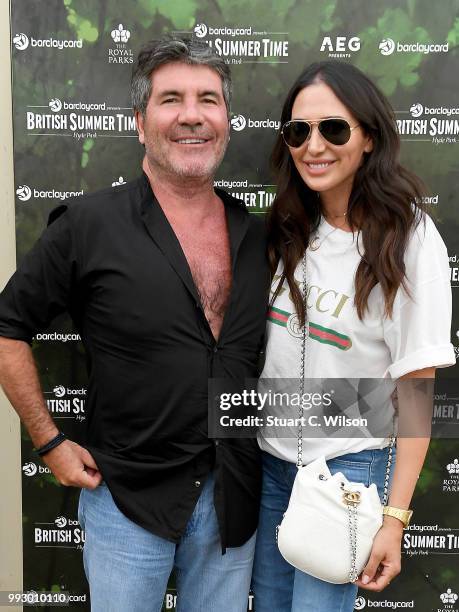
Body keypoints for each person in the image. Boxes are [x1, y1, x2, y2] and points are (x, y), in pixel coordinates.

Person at [0, 37, 270, 612]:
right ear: (140, 122)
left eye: (208, 99)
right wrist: (48, 441)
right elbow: (7, 326)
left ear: (226, 118)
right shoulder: (87, 224)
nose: (192, 114)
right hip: (125, 500)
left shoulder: (260, 237)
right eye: (171, 99)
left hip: (234, 498)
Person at [251, 61, 455, 612]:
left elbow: (416, 388)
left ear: (368, 137)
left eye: (333, 129)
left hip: (347, 474)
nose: (313, 145)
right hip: (270, 468)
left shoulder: (407, 237)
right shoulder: (289, 226)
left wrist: (395, 518)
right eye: (298, 131)